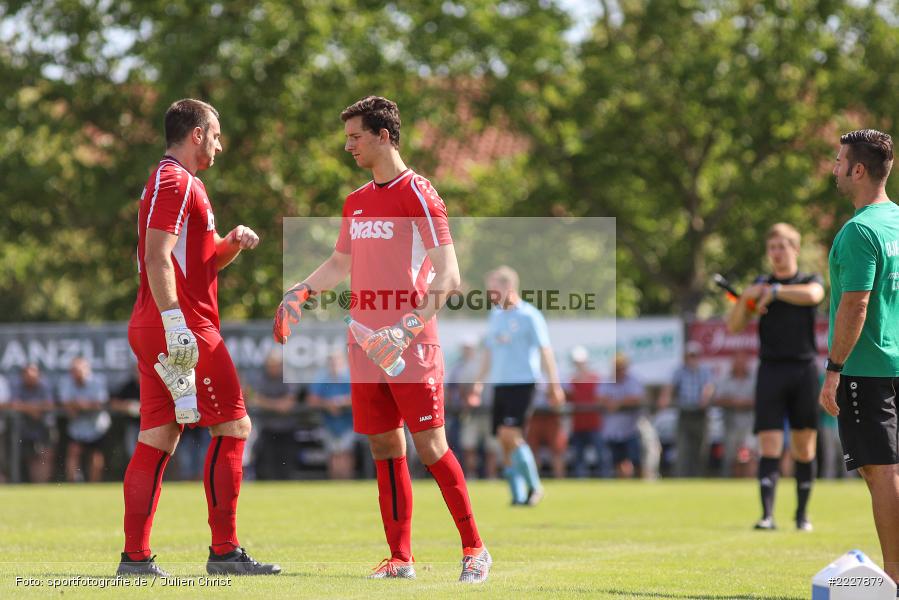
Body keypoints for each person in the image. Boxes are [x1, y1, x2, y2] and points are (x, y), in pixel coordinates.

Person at [273, 96, 490, 582]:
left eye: (356, 136)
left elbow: (449, 276)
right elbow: (340, 264)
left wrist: (407, 328)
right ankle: (400, 559)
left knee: (432, 447)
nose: (348, 145)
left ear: (384, 136)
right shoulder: (355, 200)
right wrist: (299, 292)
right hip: (364, 343)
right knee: (384, 449)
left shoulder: (420, 193)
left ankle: (475, 549)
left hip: (412, 343)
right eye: (347, 136)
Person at [119, 98, 278, 577]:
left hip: (157, 324)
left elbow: (196, 260)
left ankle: (136, 560)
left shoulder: (179, 182)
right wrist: (176, 324)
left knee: (158, 437)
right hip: (184, 327)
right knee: (233, 426)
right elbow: (156, 255)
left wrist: (229, 244)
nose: (219, 144)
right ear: (196, 134)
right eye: (215, 134)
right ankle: (224, 552)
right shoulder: (174, 179)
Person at [820, 129, 899, 585]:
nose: (834, 169)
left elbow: (856, 303)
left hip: (866, 370)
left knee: (880, 472)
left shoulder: (860, 230)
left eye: (838, 161)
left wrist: (833, 370)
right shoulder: (895, 223)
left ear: (858, 169)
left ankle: (894, 576)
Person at [726, 222, 824, 531]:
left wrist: (776, 292)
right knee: (768, 443)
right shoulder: (760, 285)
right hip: (770, 370)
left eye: (782, 246)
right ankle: (767, 515)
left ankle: (801, 515)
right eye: (772, 248)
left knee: (804, 445)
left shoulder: (808, 280)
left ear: (795, 249)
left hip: (803, 369)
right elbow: (735, 325)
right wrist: (747, 298)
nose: (777, 253)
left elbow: (814, 295)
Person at [472, 266, 566, 505]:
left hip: (523, 383)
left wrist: (554, 385)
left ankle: (535, 487)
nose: (490, 294)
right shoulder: (495, 315)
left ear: (508, 287)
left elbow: (545, 351)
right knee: (503, 441)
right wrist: (478, 383)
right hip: (500, 385)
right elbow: (489, 353)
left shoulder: (529, 315)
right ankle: (517, 494)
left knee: (509, 434)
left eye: (493, 288)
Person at [659, 341, 715, 478]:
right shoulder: (679, 371)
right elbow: (670, 387)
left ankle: (699, 477)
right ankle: (680, 478)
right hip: (685, 414)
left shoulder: (705, 370)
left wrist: (705, 398)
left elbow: (709, 387)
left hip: (700, 415)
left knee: (701, 450)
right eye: (690, 355)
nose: (692, 358)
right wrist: (665, 398)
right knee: (682, 449)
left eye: (694, 355)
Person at [447, 338, 499, 479]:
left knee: (491, 448)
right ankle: (471, 474)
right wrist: (467, 400)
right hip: (472, 413)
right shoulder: (468, 366)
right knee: (469, 445)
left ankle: (491, 475)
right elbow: (462, 389)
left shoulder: (496, 365)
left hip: (490, 412)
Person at [57, 357, 110, 483]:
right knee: (73, 452)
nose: (76, 373)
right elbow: (66, 405)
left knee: (95, 456)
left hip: (97, 426)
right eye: (74, 371)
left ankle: (94, 484)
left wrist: (81, 405)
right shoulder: (66, 382)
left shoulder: (98, 381)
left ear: (87, 370)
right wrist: (83, 405)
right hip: (77, 426)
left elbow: (99, 404)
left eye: (79, 370)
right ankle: (73, 482)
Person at [248, 349, 299, 481]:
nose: (273, 368)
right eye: (270, 365)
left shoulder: (289, 377)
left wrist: (267, 403)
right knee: (267, 466)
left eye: (275, 365)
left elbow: (289, 404)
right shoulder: (260, 378)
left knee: (287, 466)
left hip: (287, 429)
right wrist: (277, 405)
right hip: (267, 429)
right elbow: (254, 399)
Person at [307, 351, 355, 480]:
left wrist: (340, 403)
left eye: (337, 362)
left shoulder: (350, 377)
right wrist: (328, 405)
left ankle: (346, 483)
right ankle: (335, 484)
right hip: (329, 423)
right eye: (332, 363)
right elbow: (312, 400)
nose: (334, 365)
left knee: (345, 453)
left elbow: (358, 398)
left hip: (348, 423)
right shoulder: (322, 378)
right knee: (333, 454)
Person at [599, 353, 645, 479]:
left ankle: (640, 485)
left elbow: (636, 398)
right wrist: (613, 403)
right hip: (612, 430)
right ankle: (624, 486)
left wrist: (618, 403)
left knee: (635, 461)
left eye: (622, 367)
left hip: (630, 429)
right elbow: (600, 398)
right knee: (618, 461)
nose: (620, 370)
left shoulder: (633, 380)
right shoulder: (607, 381)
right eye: (617, 367)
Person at [9, 364, 56, 483]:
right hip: (25, 430)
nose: (29, 378)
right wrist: (33, 409)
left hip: (44, 427)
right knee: (30, 459)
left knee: (45, 457)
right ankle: (35, 485)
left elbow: (48, 406)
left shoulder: (44, 386)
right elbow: (15, 405)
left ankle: (43, 485)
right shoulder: (18, 386)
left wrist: (26, 408)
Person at [714, 351, 757, 478]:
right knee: (732, 458)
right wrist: (734, 402)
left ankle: (749, 482)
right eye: (737, 361)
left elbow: (760, 400)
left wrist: (742, 403)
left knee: (748, 456)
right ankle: (733, 484)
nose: (739, 364)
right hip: (730, 425)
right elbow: (718, 399)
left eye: (742, 361)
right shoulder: (725, 380)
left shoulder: (754, 379)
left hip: (749, 425)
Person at [565, 346, 605, 478]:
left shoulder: (596, 378)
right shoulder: (571, 381)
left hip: (594, 424)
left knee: (601, 456)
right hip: (578, 425)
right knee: (579, 458)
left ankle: (606, 479)